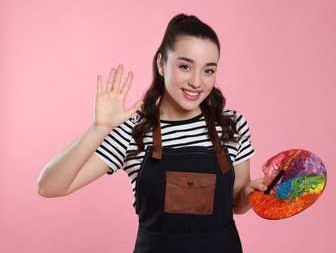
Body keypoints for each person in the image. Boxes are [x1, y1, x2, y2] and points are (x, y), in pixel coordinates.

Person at [37, 13, 268, 253]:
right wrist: (99, 128)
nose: (197, 82)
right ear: (161, 64)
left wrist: (249, 194)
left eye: (208, 70)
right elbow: (50, 186)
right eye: (185, 66)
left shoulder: (232, 125)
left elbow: (235, 203)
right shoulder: (135, 130)